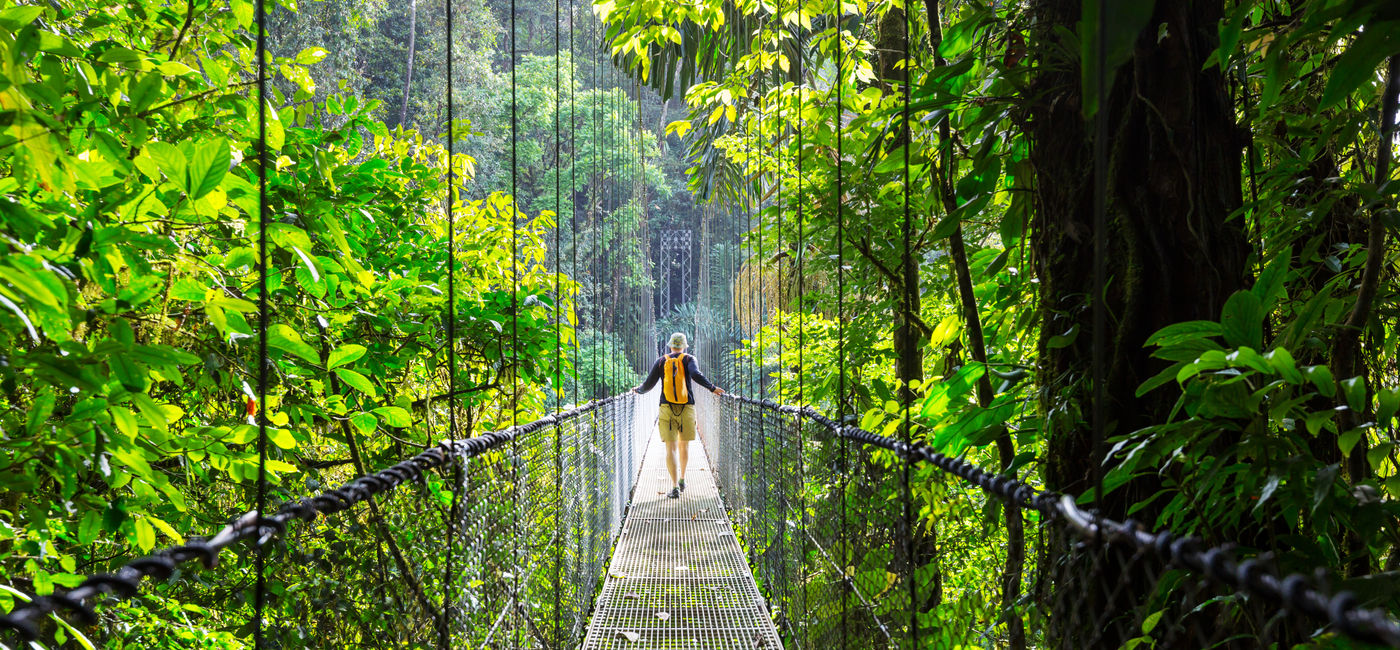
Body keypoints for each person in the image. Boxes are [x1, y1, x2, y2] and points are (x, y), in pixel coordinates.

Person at [632, 332, 724, 498]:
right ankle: (682, 479)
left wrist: (638, 390)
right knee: (684, 445)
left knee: (670, 448)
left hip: (666, 407)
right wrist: (712, 388)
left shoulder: (661, 361)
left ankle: (674, 487)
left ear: (670, 346)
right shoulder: (689, 359)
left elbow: (649, 384)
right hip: (686, 407)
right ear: (684, 346)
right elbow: (695, 375)